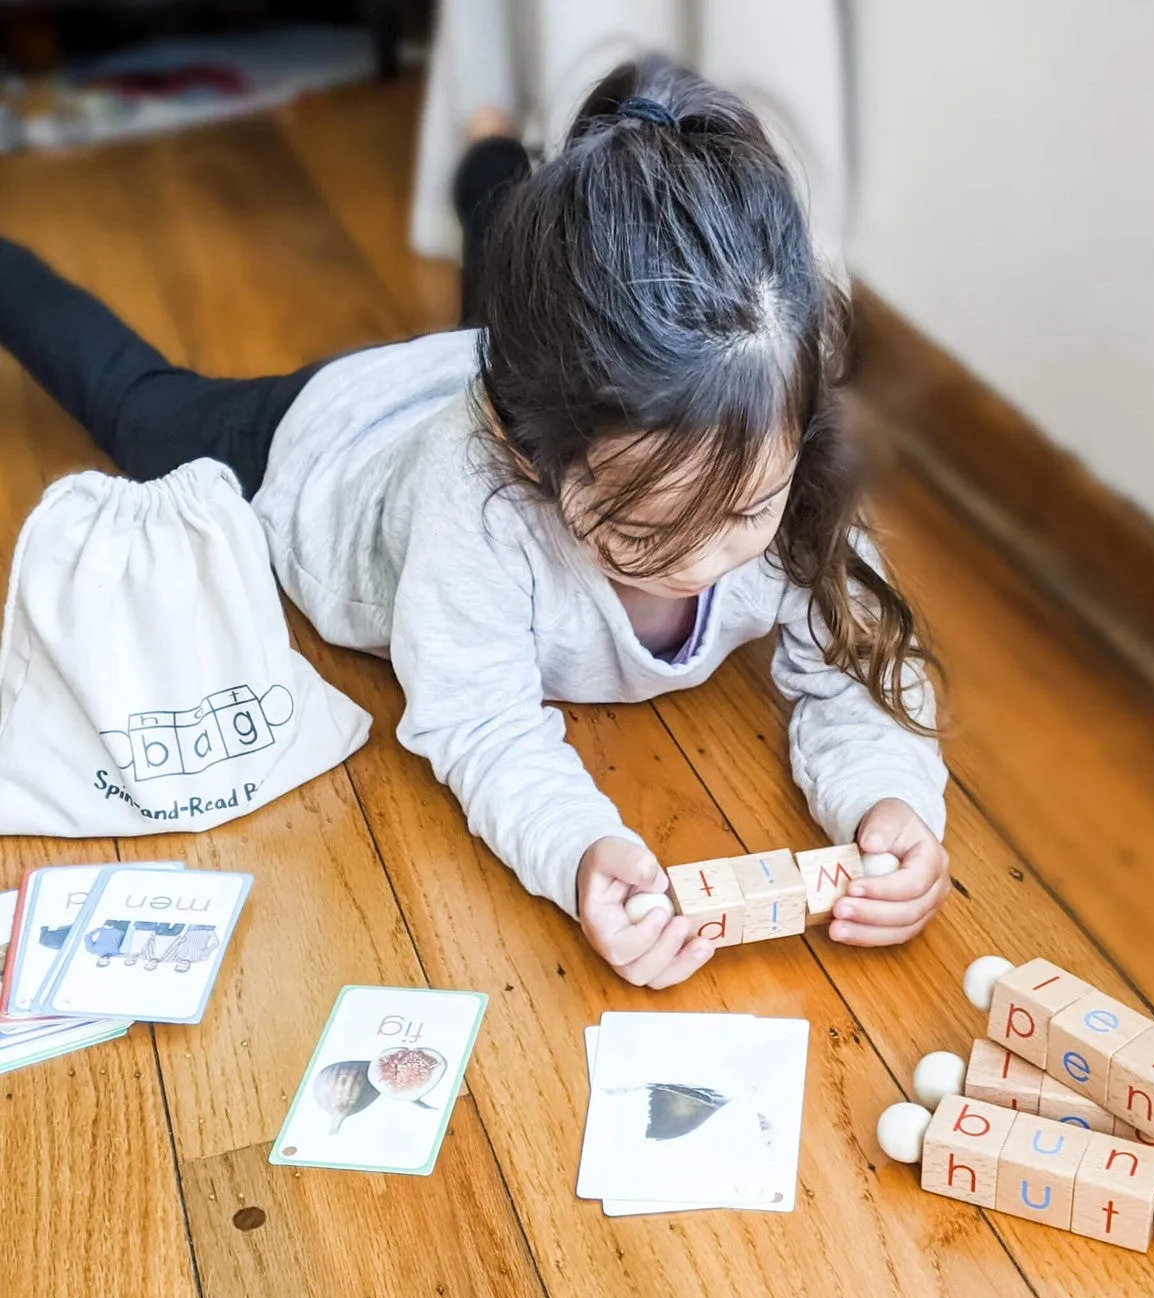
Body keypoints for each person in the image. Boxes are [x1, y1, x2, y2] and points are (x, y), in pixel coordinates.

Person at [0, 55, 949, 990]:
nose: (705, 562)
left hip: (526, 380)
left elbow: (862, 661)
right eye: (648, 531)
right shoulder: (487, 496)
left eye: (745, 511)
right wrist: (580, 848)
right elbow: (480, 722)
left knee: (510, 292)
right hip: (327, 439)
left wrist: (890, 797)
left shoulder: (787, 443)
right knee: (138, 406)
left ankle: (490, 156)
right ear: (535, 453)